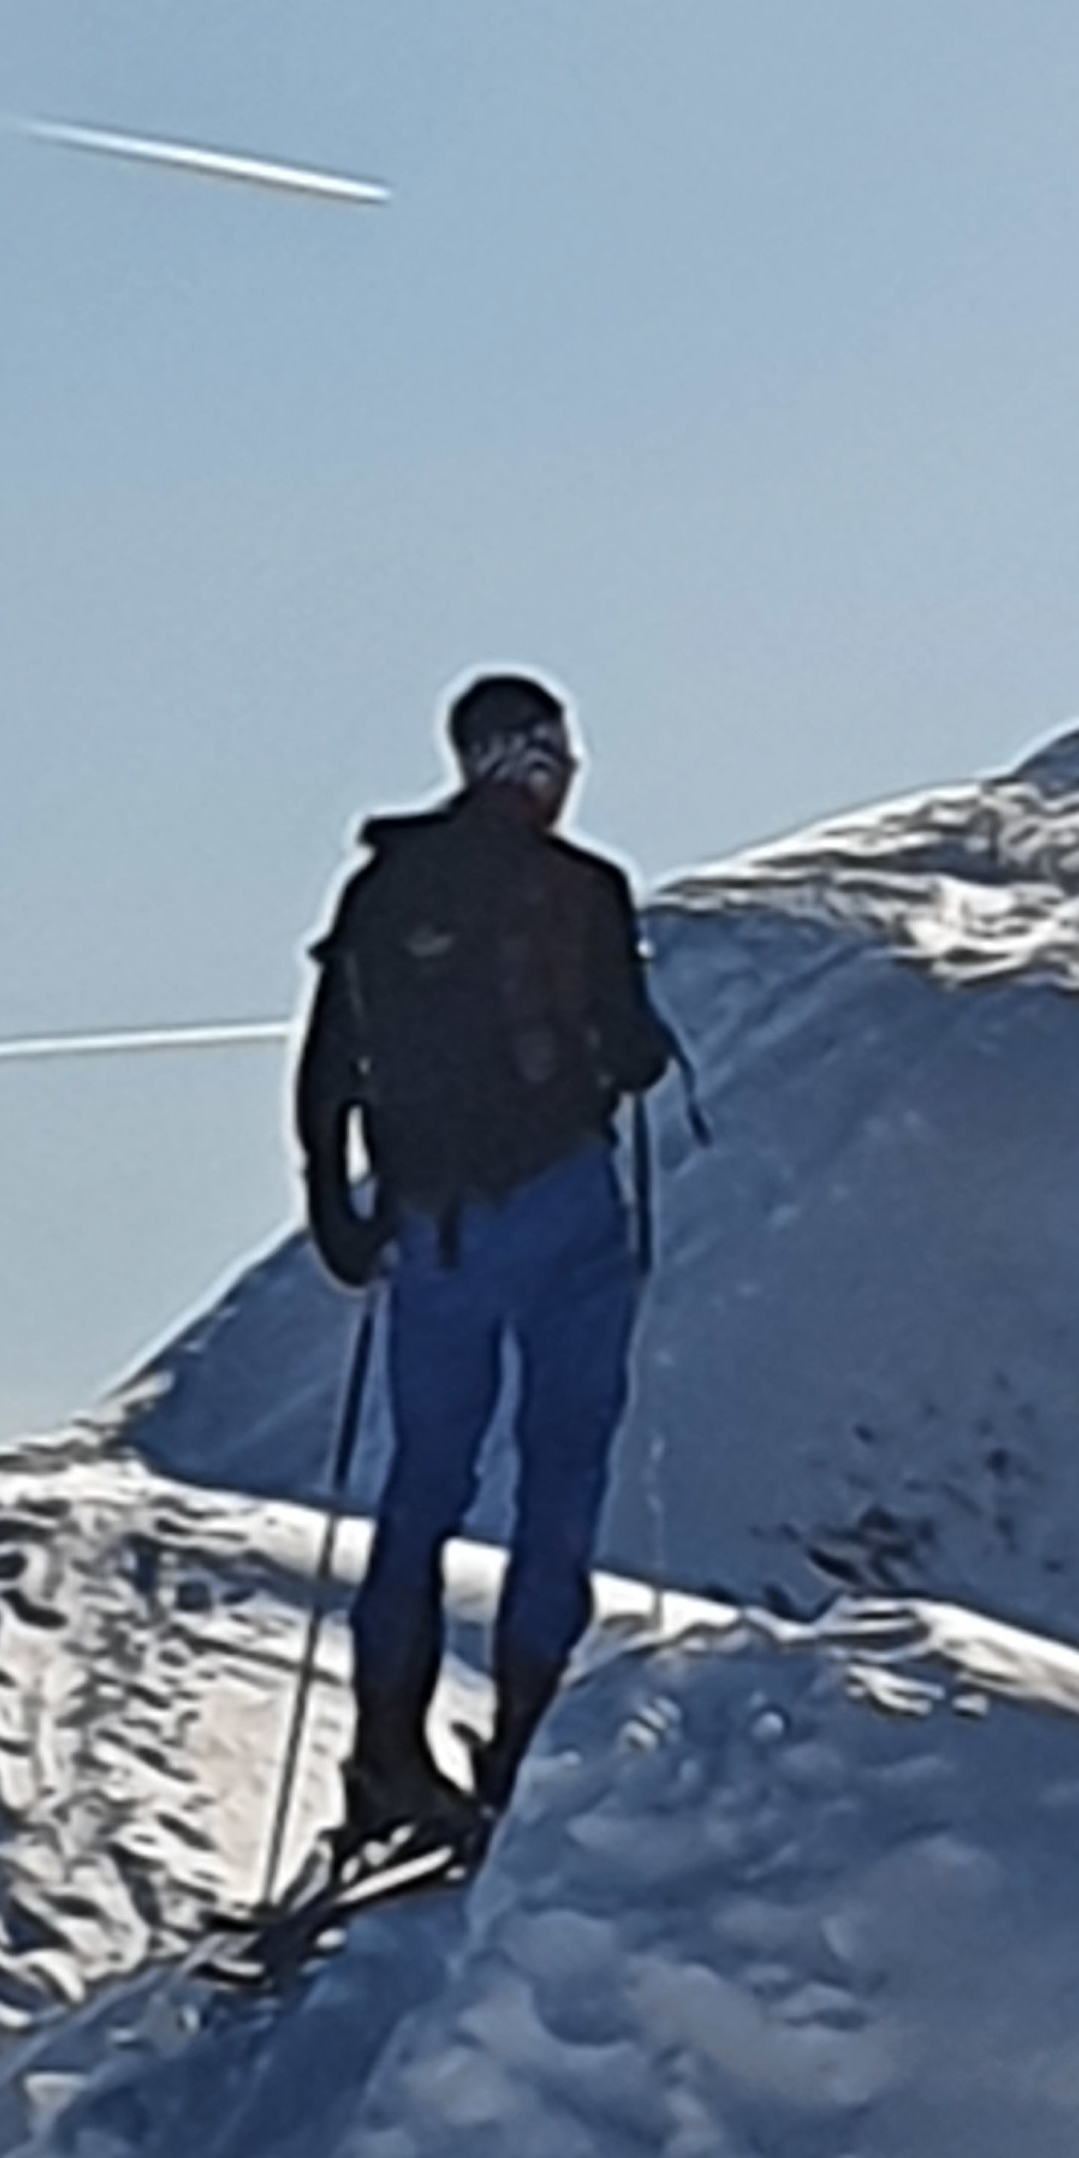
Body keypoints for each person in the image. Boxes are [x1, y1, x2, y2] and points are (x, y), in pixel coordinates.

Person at [295, 672, 676, 1837]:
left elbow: (329, 1063)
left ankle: (386, 1754)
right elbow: (633, 1051)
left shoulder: (385, 887)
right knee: (560, 1469)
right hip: (565, 1209)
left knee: (425, 1480)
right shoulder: (584, 890)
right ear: (541, 761)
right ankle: (521, 1746)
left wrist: (336, 1207)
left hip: (435, 1223)